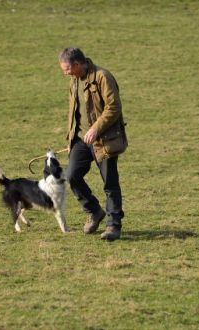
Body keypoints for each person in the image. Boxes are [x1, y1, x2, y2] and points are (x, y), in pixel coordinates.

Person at [58, 47, 128, 240]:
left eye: (67, 69)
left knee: (110, 183)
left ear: (79, 64)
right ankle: (94, 211)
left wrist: (96, 128)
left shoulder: (103, 77)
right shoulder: (74, 81)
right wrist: (73, 137)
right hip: (81, 140)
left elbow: (114, 107)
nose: (65, 73)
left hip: (104, 139)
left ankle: (114, 226)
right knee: (72, 176)